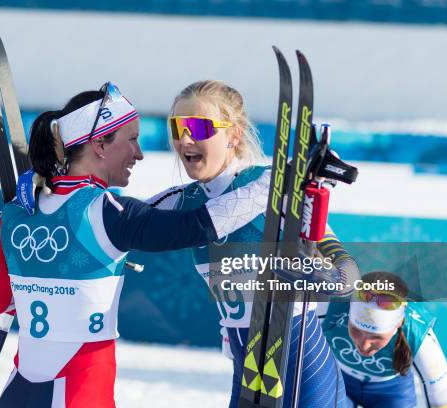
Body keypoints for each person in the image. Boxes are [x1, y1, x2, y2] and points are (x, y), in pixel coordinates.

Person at [0, 82, 277, 408]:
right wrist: (280, 181)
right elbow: (197, 225)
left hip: (19, 391)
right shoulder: (115, 211)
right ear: (99, 145)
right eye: (132, 140)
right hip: (82, 390)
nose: (140, 153)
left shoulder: (18, 210)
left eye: (197, 127)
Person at [146, 80, 359, 407]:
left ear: (233, 135)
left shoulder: (271, 184)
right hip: (248, 375)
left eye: (199, 127)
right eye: (177, 127)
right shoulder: (181, 203)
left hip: (305, 374)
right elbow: (117, 222)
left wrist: (334, 273)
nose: (185, 138)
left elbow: (341, 262)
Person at [323, 271, 447, 408]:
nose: (364, 345)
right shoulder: (333, 306)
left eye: (376, 337)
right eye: (356, 330)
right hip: (340, 380)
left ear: (399, 323)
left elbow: (443, 395)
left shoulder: (415, 332)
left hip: (391, 392)